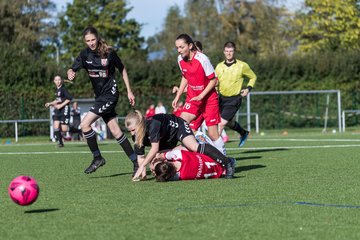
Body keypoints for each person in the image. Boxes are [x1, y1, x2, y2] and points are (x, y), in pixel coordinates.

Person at [67, 26, 138, 175]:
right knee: (115, 130)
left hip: (110, 95)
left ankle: (97, 158)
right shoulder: (84, 55)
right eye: (88, 41)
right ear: (84, 41)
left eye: (93, 39)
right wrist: (71, 72)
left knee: (84, 124)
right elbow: (72, 69)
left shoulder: (109, 53)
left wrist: (129, 91)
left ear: (97, 38)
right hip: (100, 97)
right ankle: (136, 162)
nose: (91, 43)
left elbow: (122, 69)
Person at [124, 110, 236, 181]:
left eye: (133, 130)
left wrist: (142, 166)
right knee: (155, 163)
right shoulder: (136, 136)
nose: (132, 134)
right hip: (165, 139)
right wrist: (142, 174)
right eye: (129, 131)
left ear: (140, 125)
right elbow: (140, 157)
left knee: (194, 146)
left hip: (178, 127)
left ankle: (227, 162)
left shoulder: (153, 125)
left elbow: (154, 148)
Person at [172, 34, 225, 155]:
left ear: (190, 46)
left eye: (181, 47)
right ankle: (198, 153)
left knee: (213, 134)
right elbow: (185, 77)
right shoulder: (180, 59)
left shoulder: (202, 59)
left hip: (209, 100)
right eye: (177, 48)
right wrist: (178, 96)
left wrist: (202, 96)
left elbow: (213, 80)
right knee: (181, 124)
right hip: (193, 99)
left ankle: (224, 160)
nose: (179, 50)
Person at [215, 41, 257, 147]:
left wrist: (248, 89)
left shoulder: (242, 66)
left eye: (231, 51)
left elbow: (253, 77)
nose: (229, 53)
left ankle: (216, 152)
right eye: (227, 51)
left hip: (234, 99)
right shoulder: (219, 67)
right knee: (229, 123)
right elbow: (215, 82)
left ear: (234, 52)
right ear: (224, 52)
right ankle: (243, 133)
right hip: (221, 99)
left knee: (220, 124)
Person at [150, 149, 224, 181]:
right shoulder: (180, 155)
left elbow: (166, 177)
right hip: (218, 159)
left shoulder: (182, 176)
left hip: (219, 173)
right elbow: (162, 155)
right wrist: (155, 162)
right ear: (165, 162)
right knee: (182, 147)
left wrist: (157, 173)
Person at [45, 75, 73, 148]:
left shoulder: (63, 89)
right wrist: (50, 103)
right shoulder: (57, 90)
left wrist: (61, 106)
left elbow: (69, 99)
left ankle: (77, 130)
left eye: (59, 80)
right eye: (56, 80)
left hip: (64, 109)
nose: (57, 81)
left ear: (61, 81)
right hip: (58, 111)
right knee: (56, 126)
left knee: (64, 129)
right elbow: (57, 100)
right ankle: (60, 143)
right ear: (54, 81)